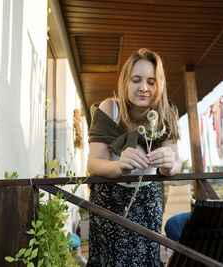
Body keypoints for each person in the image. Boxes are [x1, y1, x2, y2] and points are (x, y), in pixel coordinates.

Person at [86, 48, 181, 266]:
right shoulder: (110, 108)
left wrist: (168, 165)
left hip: (148, 200)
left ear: (160, 85)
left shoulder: (167, 113)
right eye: (136, 80)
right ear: (125, 83)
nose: (144, 88)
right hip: (109, 201)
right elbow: (93, 163)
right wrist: (119, 166)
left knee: (146, 260)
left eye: (151, 81)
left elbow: (176, 164)